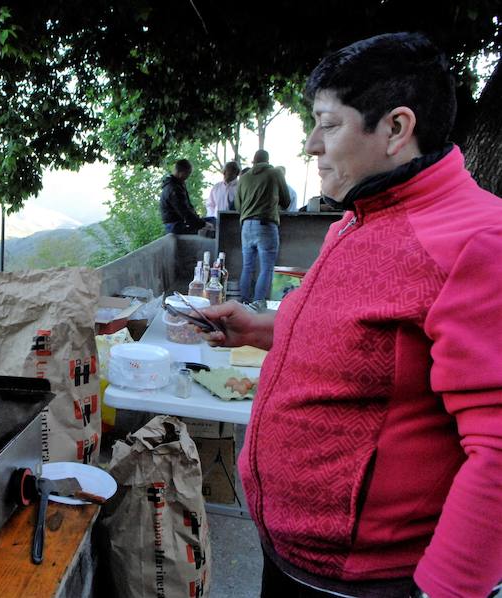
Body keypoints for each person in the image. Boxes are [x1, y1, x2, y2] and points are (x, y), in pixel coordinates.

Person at [200, 32, 502, 598]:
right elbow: (368, 346)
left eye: (328, 124)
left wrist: (447, 591)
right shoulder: (357, 219)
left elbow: (498, 450)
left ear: (395, 129)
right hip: (290, 558)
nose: (311, 144)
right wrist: (262, 328)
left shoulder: (479, 241)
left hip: (370, 583)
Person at [233, 149, 291, 304]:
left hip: (246, 226)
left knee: (247, 267)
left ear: (254, 161)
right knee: (266, 268)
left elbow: (237, 206)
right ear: (268, 160)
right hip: (266, 224)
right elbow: (286, 201)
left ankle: (244, 303)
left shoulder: (243, 178)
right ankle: (258, 305)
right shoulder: (275, 173)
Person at [159, 159, 208, 234]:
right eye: (188, 174)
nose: (188, 177)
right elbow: (184, 211)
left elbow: (188, 207)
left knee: (211, 221)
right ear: (182, 172)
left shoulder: (176, 185)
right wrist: (202, 224)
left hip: (176, 223)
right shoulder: (174, 189)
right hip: (175, 225)